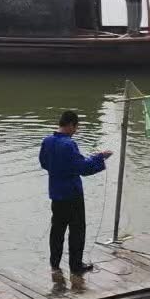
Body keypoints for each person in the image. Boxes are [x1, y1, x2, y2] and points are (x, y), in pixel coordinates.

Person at [39, 111, 112, 276]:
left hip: (56, 194)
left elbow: (44, 163)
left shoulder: (47, 141)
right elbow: (83, 168)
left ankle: (55, 264)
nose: (76, 131)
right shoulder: (68, 145)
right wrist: (100, 157)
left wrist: (59, 169)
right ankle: (75, 266)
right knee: (77, 231)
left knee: (57, 230)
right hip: (72, 194)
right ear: (71, 124)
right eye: (76, 127)